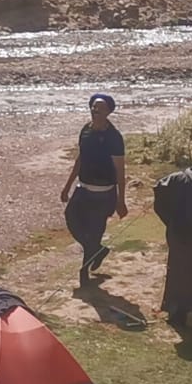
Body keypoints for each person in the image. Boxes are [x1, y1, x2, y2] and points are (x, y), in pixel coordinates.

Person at [61, 93, 128, 286]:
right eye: (93, 107)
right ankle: (98, 250)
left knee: (94, 232)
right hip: (83, 189)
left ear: (108, 112)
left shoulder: (114, 137)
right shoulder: (85, 130)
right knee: (71, 219)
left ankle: (84, 273)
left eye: (99, 108)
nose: (95, 110)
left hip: (104, 194)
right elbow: (80, 159)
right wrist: (67, 186)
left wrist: (121, 200)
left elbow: (120, 170)